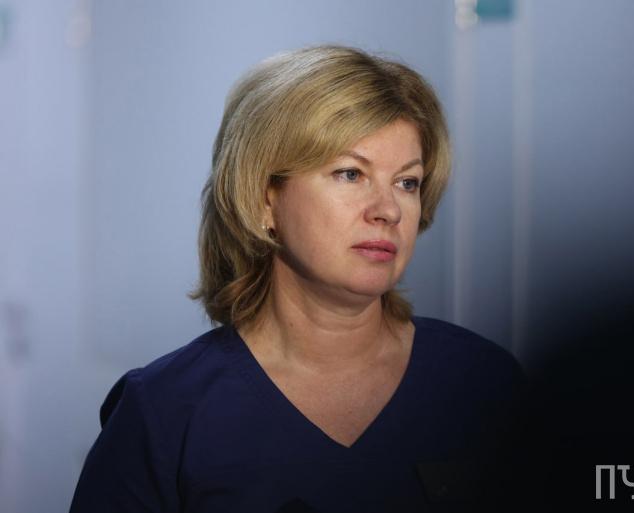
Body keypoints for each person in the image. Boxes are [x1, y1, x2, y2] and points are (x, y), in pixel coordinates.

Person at [69, 45, 527, 513]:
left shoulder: (482, 382)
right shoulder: (165, 411)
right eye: (350, 174)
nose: (388, 210)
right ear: (264, 199)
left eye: (407, 183)